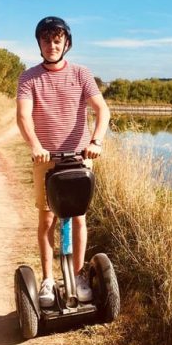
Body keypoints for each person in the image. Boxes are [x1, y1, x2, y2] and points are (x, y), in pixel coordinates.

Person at [17, 16, 110, 306]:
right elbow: (23, 116)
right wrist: (35, 145)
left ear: (66, 43)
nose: (52, 45)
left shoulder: (81, 73)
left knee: (78, 217)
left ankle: (79, 275)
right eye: (46, 40)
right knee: (47, 219)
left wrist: (96, 141)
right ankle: (47, 279)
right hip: (46, 158)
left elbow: (101, 110)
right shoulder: (28, 77)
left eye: (57, 40)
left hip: (80, 157)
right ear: (39, 44)